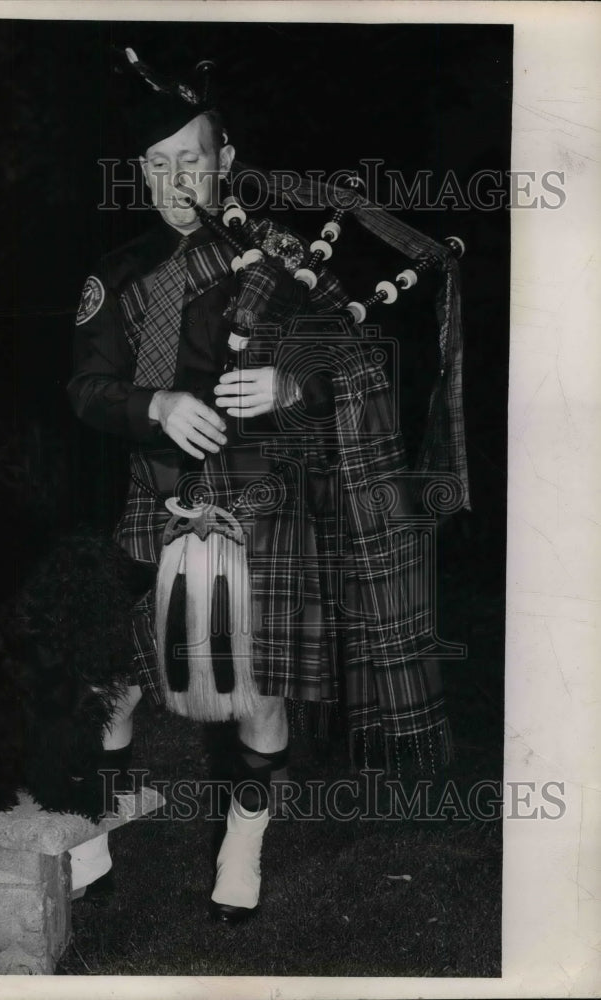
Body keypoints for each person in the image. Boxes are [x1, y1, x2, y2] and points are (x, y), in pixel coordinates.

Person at [66, 49, 455, 923]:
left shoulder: (284, 260)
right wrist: (152, 402)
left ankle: (244, 836)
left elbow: (351, 368)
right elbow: (84, 392)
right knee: (112, 683)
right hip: (152, 498)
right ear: (138, 173)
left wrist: (289, 386)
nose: (176, 181)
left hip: (265, 506)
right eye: (157, 165)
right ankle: (106, 806)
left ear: (226, 160)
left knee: (259, 692)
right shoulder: (118, 273)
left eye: (191, 160)